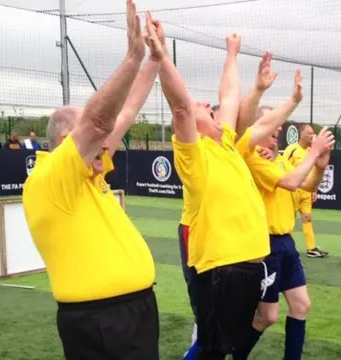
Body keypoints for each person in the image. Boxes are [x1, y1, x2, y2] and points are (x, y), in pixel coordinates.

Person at [22, 4, 162, 358]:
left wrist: (154, 61)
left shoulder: (88, 170)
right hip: (102, 319)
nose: (105, 144)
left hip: (131, 312)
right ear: (68, 143)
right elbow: (99, 123)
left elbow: (123, 114)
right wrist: (132, 58)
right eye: (92, 141)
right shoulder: (52, 179)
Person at [162, 26, 292, 358]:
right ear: (193, 122)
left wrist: (232, 54)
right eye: (203, 107)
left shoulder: (228, 144)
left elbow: (230, 96)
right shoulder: (195, 153)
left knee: (225, 341)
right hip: (217, 260)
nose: (210, 104)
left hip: (246, 261)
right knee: (212, 343)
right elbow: (180, 106)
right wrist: (160, 54)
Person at [234, 121, 334, 360]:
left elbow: (305, 184)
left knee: (301, 306)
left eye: (276, 135)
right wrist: (313, 151)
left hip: (286, 242)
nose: (273, 141)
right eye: (270, 135)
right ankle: (236, 356)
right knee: (267, 317)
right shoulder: (254, 159)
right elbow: (290, 182)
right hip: (265, 245)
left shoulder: (278, 159)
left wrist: (320, 167)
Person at [284, 124, 329, 258]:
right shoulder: (291, 149)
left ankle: (311, 248)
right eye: (309, 133)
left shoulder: (312, 151)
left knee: (307, 218)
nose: (312, 136)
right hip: (292, 190)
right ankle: (288, 248)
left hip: (307, 191)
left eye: (313, 133)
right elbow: (281, 167)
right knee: (289, 219)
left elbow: (315, 172)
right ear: (301, 134)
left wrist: (314, 189)